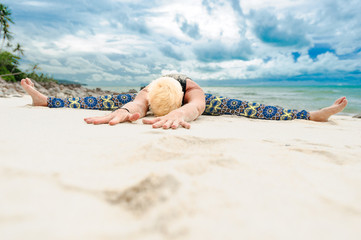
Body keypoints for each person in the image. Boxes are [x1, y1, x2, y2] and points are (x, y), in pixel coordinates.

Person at [20, 74, 348, 129]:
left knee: (247, 106)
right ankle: (45, 100)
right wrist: (131, 108)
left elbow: (197, 106)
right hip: (153, 94)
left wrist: (183, 112)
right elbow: (138, 103)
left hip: (189, 99)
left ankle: (311, 114)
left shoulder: (190, 87)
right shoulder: (150, 89)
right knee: (101, 101)